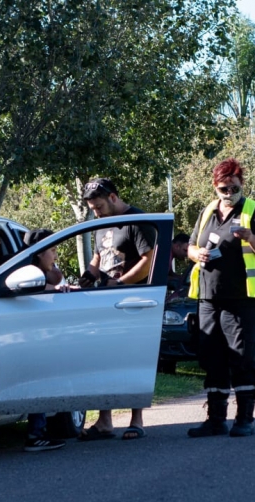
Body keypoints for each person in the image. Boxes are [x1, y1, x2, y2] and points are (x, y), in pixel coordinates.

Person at [186, 157, 255, 439]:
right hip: (209, 297)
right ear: (215, 187)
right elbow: (189, 246)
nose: (229, 194)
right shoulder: (208, 212)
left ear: (242, 185)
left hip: (242, 298)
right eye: (224, 189)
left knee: (241, 357)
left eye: (234, 188)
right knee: (212, 358)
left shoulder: (254, 211)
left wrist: (250, 237)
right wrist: (195, 254)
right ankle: (215, 419)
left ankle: (244, 418)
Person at [77, 177, 155, 442]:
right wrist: (89, 273)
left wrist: (121, 282)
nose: (96, 213)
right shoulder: (102, 223)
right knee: (105, 360)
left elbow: (148, 260)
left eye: (98, 206)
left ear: (112, 197)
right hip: (105, 301)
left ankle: (137, 420)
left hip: (132, 301)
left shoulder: (137, 220)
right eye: (92, 209)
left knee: (132, 359)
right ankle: (105, 422)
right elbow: (100, 255)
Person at [20, 228, 69, 452]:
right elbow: (36, 286)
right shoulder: (26, 273)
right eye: (52, 250)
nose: (56, 256)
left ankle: (43, 428)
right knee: (37, 378)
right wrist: (55, 288)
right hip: (26, 341)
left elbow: (53, 279)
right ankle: (36, 432)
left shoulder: (43, 272)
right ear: (39, 253)